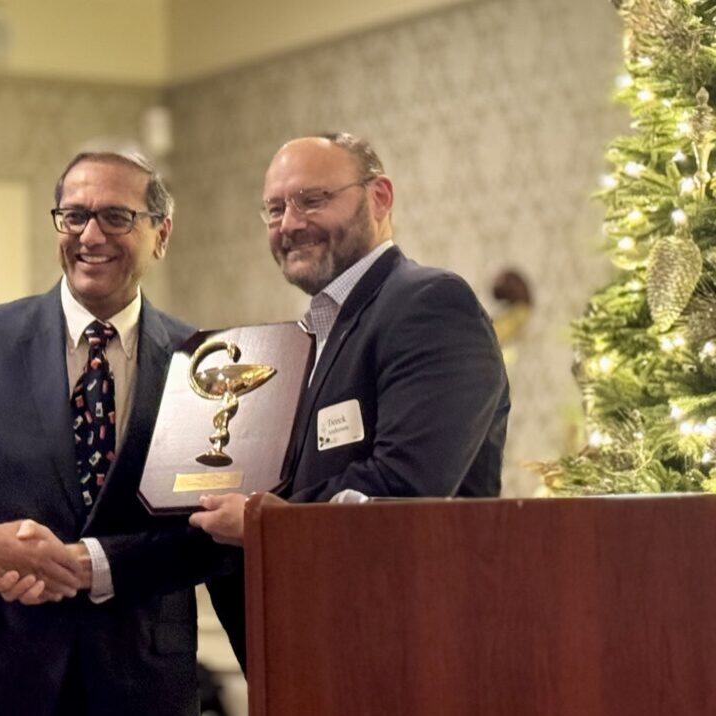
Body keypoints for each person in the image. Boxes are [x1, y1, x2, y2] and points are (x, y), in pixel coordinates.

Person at [0, 151, 230, 716]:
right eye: (73, 215)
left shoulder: (200, 362)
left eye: (116, 217)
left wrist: (92, 564)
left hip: (141, 688)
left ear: (161, 234)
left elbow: (209, 531)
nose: (89, 235)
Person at [190, 132, 510, 662]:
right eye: (274, 209)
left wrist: (267, 522)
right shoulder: (308, 337)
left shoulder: (429, 304)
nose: (290, 224)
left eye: (313, 200)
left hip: (409, 650)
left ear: (379, 197)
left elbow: (406, 490)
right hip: (323, 647)